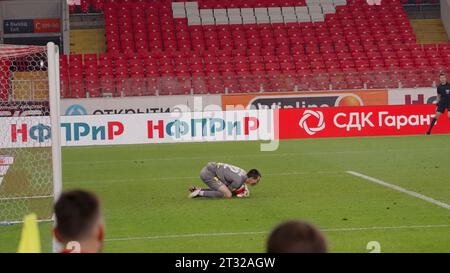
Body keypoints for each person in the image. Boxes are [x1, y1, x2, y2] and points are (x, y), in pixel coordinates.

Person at [188, 162, 261, 199]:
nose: (257, 183)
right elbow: (228, 191)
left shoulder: (243, 172)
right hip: (209, 174)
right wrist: (239, 192)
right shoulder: (239, 181)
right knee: (227, 194)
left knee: (223, 189)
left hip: (211, 169)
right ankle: (199, 193)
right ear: (251, 178)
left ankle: (197, 190)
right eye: (257, 180)